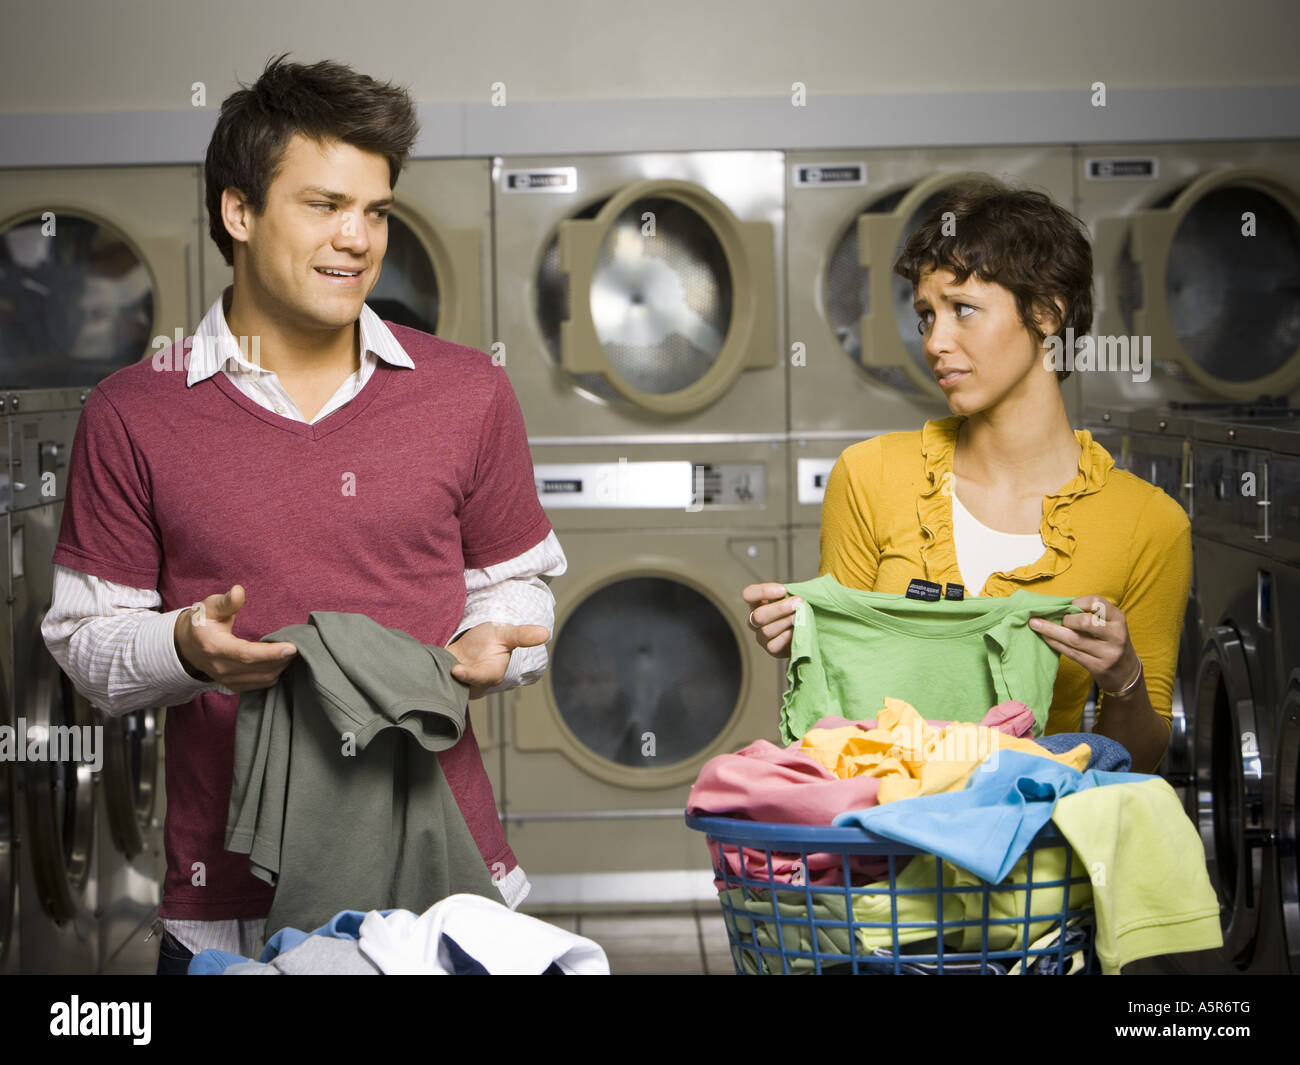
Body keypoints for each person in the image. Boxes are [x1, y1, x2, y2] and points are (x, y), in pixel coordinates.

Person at [41, 55, 566, 974]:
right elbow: (87, 644)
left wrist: (498, 645)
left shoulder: (467, 393)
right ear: (238, 212)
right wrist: (185, 649)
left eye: (376, 211)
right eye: (324, 205)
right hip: (228, 910)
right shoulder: (135, 411)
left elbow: (518, 583)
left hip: (449, 896)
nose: (358, 238)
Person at [743, 176, 1190, 775]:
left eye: (963, 310)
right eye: (927, 315)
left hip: (1033, 854)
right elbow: (832, 716)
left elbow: (1135, 755)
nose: (934, 342)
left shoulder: (1147, 524)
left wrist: (1123, 676)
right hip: (878, 842)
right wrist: (801, 636)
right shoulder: (871, 476)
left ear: (1047, 313)